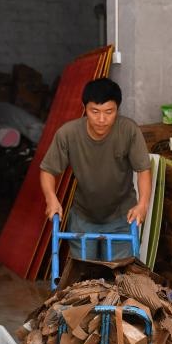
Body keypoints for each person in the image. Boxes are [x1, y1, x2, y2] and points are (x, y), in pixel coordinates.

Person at [39, 78, 151, 260]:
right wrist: (51, 199)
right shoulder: (68, 133)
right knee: (84, 273)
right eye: (95, 111)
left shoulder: (128, 130)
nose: (101, 119)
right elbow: (48, 170)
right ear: (84, 108)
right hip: (83, 217)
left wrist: (143, 205)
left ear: (117, 109)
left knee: (121, 273)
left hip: (122, 217)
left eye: (109, 112)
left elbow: (143, 169)